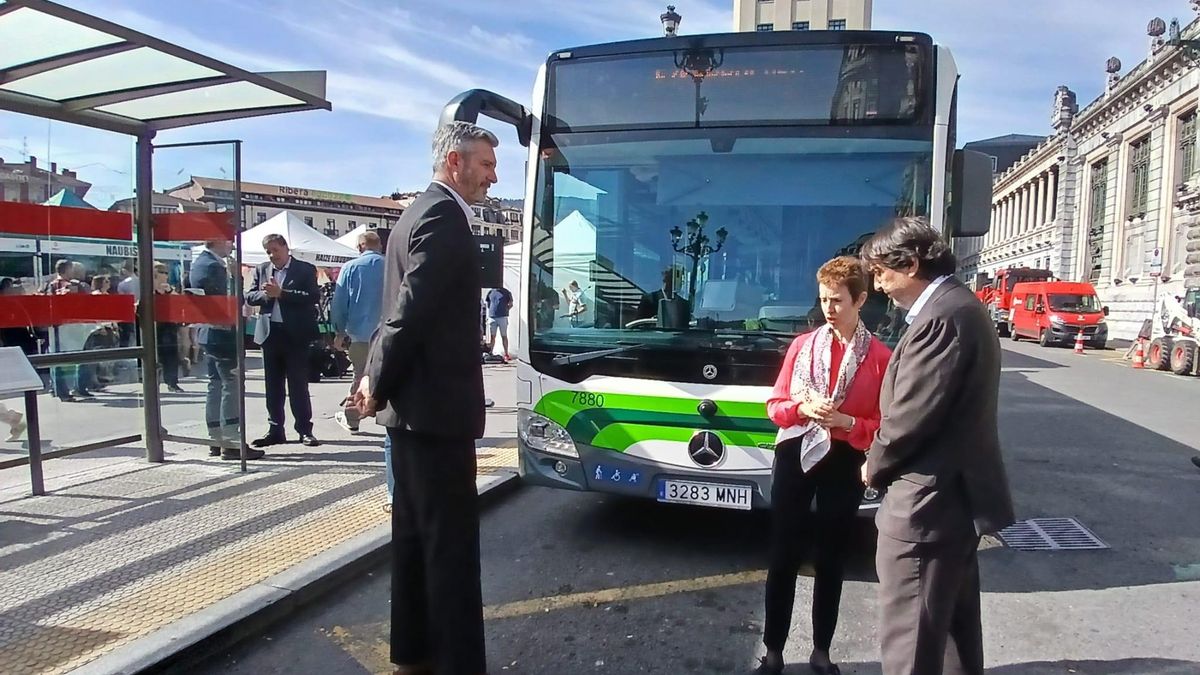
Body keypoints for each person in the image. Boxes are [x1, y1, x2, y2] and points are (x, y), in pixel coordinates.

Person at [355, 120, 496, 675]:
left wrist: (374, 379)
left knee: (413, 540)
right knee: (450, 551)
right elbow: (409, 313)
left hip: (412, 415)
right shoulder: (443, 217)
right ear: (454, 162)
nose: (493, 177)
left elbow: (395, 313)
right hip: (438, 416)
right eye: (486, 164)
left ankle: (411, 654)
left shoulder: (413, 214)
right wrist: (375, 381)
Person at [860, 217, 1015, 675]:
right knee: (950, 637)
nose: (878, 286)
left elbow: (910, 416)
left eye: (881, 273)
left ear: (910, 264)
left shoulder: (942, 317)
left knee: (911, 644)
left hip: (926, 504)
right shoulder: (959, 307)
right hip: (950, 503)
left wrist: (872, 464)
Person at [756, 256, 891, 675]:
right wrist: (802, 408)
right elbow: (775, 406)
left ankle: (821, 652)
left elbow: (885, 425)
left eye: (837, 301)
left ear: (860, 300)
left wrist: (847, 422)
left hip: (845, 457)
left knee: (832, 556)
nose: (828, 309)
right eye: (823, 299)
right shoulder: (802, 347)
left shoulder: (880, 358)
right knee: (784, 552)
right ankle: (773, 651)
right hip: (796, 452)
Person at [247, 234, 321, 448]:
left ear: (286, 248)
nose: (272, 255)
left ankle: (304, 430)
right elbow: (249, 296)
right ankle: (275, 430)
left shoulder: (305, 269)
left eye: (275, 250)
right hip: (270, 334)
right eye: (268, 252)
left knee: (298, 385)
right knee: (273, 386)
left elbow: (312, 297)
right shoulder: (262, 269)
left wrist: (282, 293)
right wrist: (266, 296)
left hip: (295, 335)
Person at [190, 238, 257, 460]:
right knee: (231, 385)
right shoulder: (214, 266)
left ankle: (216, 438)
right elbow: (231, 301)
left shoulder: (200, 263)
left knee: (216, 385)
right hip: (223, 333)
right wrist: (237, 277)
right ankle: (231, 441)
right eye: (228, 241)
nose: (232, 245)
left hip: (209, 333)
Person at [331, 231, 386, 434]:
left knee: (360, 375)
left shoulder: (350, 267)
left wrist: (339, 331)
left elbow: (339, 303)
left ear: (360, 246)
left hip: (360, 333)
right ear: (380, 245)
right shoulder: (391, 265)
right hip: (388, 333)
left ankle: (352, 418)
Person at [484, 285, 513, 361]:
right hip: (492, 317)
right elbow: (488, 303)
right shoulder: (490, 292)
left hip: (502, 317)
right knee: (492, 336)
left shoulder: (506, 292)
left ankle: (506, 353)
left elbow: (511, 304)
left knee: (504, 335)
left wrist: (506, 310)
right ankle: (491, 352)